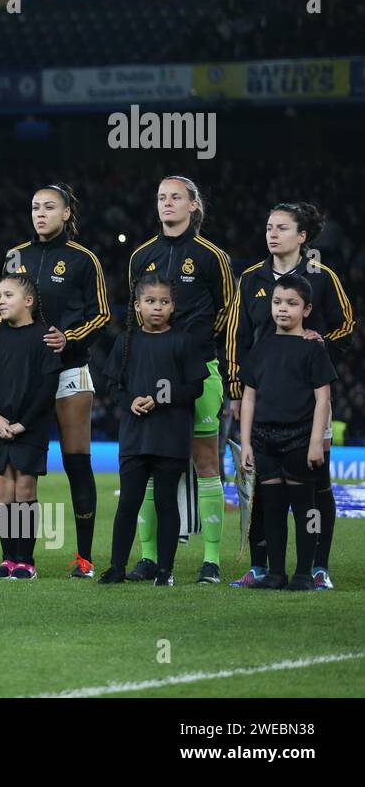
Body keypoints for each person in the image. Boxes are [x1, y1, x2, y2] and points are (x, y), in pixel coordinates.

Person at [225, 202, 355, 589]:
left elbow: (346, 324)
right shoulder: (250, 279)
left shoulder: (322, 276)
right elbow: (237, 336)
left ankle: (318, 567)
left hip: (310, 403)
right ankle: (262, 566)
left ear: (302, 236)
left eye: (282, 228)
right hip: (260, 400)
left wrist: (321, 342)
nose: (272, 233)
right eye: (268, 227)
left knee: (317, 486)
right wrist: (235, 389)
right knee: (261, 487)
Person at [0, 183, 109, 577]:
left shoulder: (82, 259)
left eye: (49, 207)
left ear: (66, 213)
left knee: (77, 463)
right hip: (23, 377)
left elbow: (103, 314)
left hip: (70, 371)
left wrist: (68, 338)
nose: (40, 213)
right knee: (15, 470)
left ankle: (84, 558)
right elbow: (3, 302)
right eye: (35, 207)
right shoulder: (15, 255)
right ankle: (17, 558)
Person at [126, 176, 234, 584]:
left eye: (176, 197)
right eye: (161, 198)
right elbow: (134, 315)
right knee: (150, 464)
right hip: (150, 374)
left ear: (193, 205)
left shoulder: (211, 256)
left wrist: (195, 346)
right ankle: (149, 559)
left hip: (199, 372)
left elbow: (228, 311)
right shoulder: (141, 256)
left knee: (207, 462)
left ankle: (211, 562)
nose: (167, 204)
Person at [99, 274, 208, 586]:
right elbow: (113, 386)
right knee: (128, 503)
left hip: (170, 435)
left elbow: (195, 387)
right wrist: (130, 400)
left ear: (173, 306)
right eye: (150, 301)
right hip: (135, 436)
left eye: (164, 302)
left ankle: (165, 570)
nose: (157, 307)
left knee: (165, 503)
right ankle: (117, 568)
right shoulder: (126, 341)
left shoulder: (183, 341)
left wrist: (160, 399)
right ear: (137, 306)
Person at [238, 274, 337, 591]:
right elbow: (249, 397)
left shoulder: (313, 348)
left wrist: (314, 443)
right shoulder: (261, 348)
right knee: (273, 509)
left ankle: (305, 574)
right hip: (264, 439)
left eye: (291, 303)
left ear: (306, 309)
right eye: (277, 302)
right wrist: (245, 443)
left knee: (306, 509)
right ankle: (276, 573)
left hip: (299, 438)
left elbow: (323, 399)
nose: (283, 309)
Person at [0, 274, 63, 580]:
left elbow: (47, 387)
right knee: (2, 493)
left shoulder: (44, 339)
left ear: (28, 301)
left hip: (30, 428)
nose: (0, 300)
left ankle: (26, 561)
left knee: (24, 490)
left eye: (8, 295)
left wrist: (23, 423)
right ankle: (8, 559)